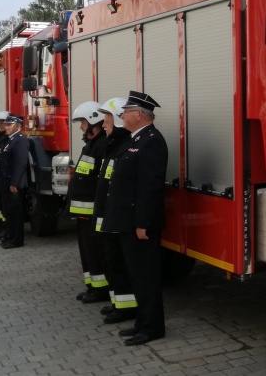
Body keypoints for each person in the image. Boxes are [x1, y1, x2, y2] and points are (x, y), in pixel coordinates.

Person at [103, 91, 167, 346]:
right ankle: (143, 322)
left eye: (125, 112)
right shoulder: (136, 139)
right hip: (128, 221)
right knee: (137, 276)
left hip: (139, 223)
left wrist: (142, 223)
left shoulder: (151, 141)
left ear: (138, 114)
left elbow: (149, 187)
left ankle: (153, 328)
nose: (121, 116)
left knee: (146, 277)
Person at [95, 97, 138, 324]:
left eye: (107, 119)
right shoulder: (113, 146)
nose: (103, 124)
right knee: (111, 261)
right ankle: (117, 303)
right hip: (106, 215)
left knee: (119, 263)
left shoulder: (123, 147)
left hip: (115, 217)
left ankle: (126, 308)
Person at [68, 101, 110, 304]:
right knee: (87, 252)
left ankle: (100, 290)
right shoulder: (91, 145)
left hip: (93, 213)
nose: (81, 127)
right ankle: (92, 286)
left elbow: (103, 182)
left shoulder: (102, 145)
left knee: (95, 252)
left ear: (94, 121)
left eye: (83, 122)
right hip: (83, 214)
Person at [0, 115, 30, 249]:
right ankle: (10, 236)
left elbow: (20, 164)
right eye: (6, 124)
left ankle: (16, 240)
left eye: (10, 125)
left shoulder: (20, 140)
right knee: (8, 213)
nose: (6, 127)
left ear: (18, 126)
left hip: (14, 184)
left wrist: (14, 183)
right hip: (6, 183)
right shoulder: (10, 140)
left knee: (15, 214)